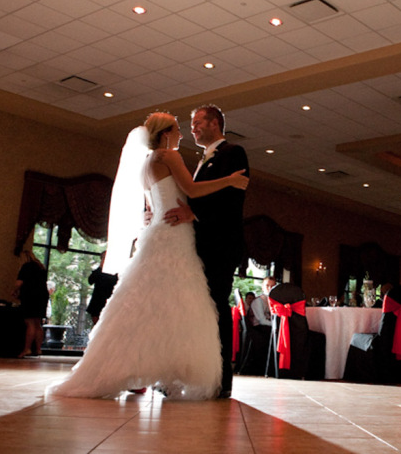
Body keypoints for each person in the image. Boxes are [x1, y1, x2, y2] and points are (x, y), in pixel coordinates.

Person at [46, 112, 248, 400]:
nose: (183, 133)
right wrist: (229, 181)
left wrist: (154, 215)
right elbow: (190, 190)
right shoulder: (169, 156)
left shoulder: (145, 163)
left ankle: (137, 368)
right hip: (175, 237)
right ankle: (167, 371)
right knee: (177, 306)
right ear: (165, 133)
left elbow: (149, 208)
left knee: (145, 303)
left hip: (157, 235)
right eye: (179, 129)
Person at [164, 104, 249, 399]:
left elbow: (231, 200)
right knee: (198, 309)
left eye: (198, 122)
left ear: (215, 123)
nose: (193, 128)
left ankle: (222, 379)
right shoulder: (203, 160)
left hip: (221, 244)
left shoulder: (233, 152)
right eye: (191, 124)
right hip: (200, 245)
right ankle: (196, 372)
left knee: (215, 307)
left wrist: (194, 214)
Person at [12, 249, 48, 358]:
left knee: (30, 323)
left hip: (30, 297)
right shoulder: (41, 267)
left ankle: (27, 349)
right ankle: (38, 349)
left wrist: (14, 291)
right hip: (42, 296)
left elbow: (19, 283)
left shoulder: (26, 267)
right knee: (38, 323)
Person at [85, 252, 118, 325]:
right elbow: (90, 280)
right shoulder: (99, 271)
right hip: (97, 302)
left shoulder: (115, 271)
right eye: (103, 258)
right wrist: (100, 267)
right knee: (96, 326)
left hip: (109, 302)